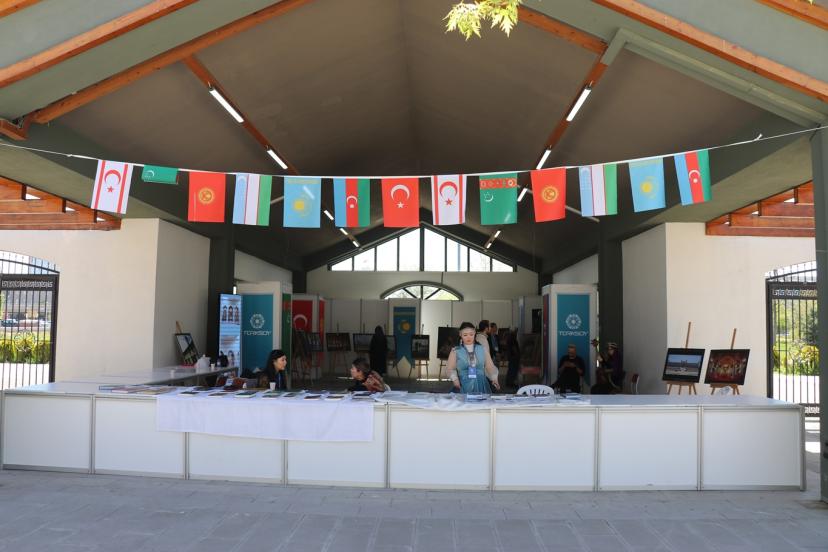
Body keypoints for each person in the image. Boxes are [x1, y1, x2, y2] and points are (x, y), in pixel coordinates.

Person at [448, 322, 501, 394]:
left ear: (475, 333)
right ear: (460, 334)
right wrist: (455, 379)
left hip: (481, 384)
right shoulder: (455, 351)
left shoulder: (482, 349)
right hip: (463, 384)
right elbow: (450, 368)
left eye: (471, 334)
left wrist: (494, 378)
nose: (468, 337)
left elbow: (490, 366)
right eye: (465, 335)